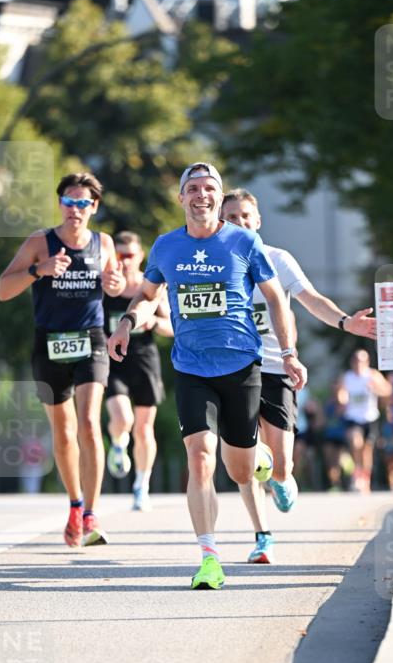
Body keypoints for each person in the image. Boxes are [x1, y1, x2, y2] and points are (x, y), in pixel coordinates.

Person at [107, 163, 307, 589]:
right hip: (191, 368)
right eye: (193, 188)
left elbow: (276, 299)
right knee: (199, 457)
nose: (202, 195)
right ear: (181, 197)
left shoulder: (244, 241)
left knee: (240, 471)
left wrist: (289, 353)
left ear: (218, 195)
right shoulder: (166, 246)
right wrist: (127, 322)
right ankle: (209, 557)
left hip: (241, 366)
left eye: (209, 188)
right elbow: (148, 294)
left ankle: (261, 460)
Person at [220, 188, 377, 563]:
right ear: (222, 223)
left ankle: (281, 477)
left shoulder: (277, 259)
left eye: (245, 216)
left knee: (281, 461)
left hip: (277, 368)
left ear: (258, 221)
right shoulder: (213, 263)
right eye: (232, 218)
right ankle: (262, 535)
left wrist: (345, 322)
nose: (239, 222)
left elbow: (312, 299)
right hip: (232, 368)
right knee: (246, 459)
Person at [0, 171, 121, 547]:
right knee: (64, 432)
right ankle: (75, 503)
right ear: (60, 204)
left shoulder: (104, 243)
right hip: (49, 343)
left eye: (82, 203)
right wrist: (39, 270)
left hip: (91, 340)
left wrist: (116, 285)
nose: (75, 209)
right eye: (69, 201)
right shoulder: (41, 242)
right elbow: (3, 289)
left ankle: (91, 513)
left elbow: (118, 283)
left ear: (94, 207)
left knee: (89, 422)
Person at [104, 231, 173, 511]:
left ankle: (141, 485)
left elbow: (172, 327)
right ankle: (118, 442)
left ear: (140, 256)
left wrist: (153, 323)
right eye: (119, 255)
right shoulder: (105, 285)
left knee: (144, 429)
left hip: (144, 359)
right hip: (113, 360)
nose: (124, 261)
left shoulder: (151, 285)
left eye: (130, 255)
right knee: (123, 418)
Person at [341, 349, 392, 492]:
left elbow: (388, 391)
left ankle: (366, 477)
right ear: (352, 362)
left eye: (362, 361)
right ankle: (357, 475)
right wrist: (341, 398)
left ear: (367, 362)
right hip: (353, 417)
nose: (358, 364)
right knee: (355, 441)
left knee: (367, 450)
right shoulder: (347, 377)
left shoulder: (373, 375)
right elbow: (340, 393)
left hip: (370, 417)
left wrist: (376, 388)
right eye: (356, 360)